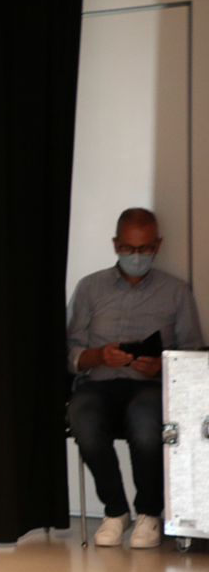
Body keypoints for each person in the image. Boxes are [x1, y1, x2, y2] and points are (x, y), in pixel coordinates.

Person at [67, 208, 203, 548]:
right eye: (129, 248)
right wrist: (99, 355)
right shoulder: (90, 287)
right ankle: (115, 511)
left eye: (144, 249)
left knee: (145, 424)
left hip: (149, 387)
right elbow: (70, 350)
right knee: (83, 420)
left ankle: (149, 513)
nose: (137, 256)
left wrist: (159, 367)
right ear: (116, 244)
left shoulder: (176, 291)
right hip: (98, 383)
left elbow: (193, 355)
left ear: (157, 245)